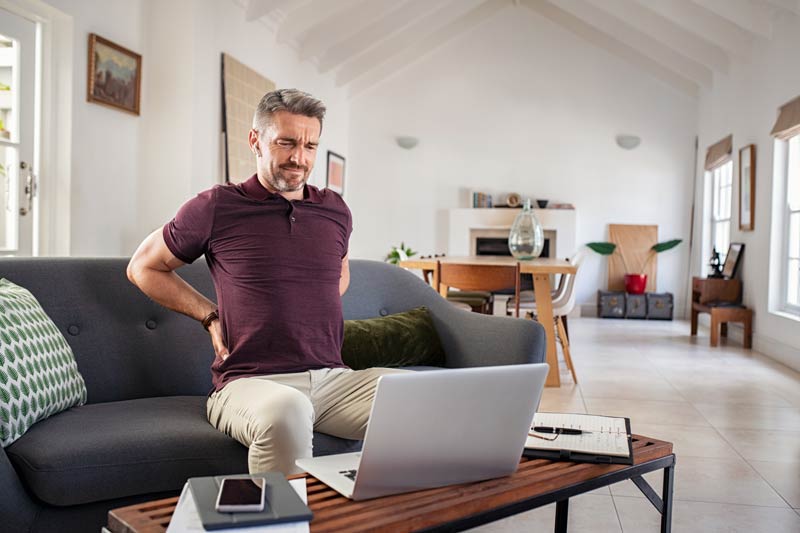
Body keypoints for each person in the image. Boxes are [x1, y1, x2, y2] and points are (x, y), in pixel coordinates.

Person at [127, 88, 404, 475]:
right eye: (287, 142)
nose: (299, 158)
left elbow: (339, 273)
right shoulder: (217, 207)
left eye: (310, 146)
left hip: (332, 380)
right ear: (256, 140)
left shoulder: (335, 210)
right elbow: (143, 267)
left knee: (418, 396)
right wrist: (210, 316)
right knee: (289, 410)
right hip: (248, 383)